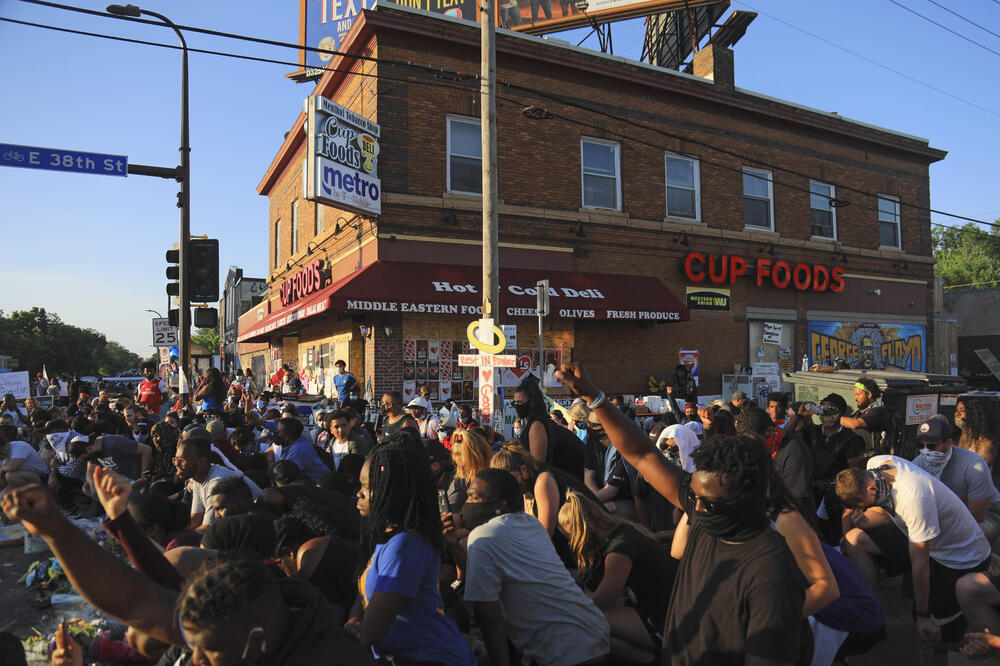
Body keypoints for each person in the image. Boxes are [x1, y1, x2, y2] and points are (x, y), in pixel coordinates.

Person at [556, 360, 808, 666]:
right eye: (695, 497)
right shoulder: (709, 505)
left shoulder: (770, 572)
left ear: (746, 498)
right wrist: (593, 396)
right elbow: (642, 454)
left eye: (706, 502)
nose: (695, 508)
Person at [1, 478, 371, 665]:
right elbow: (134, 599)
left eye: (207, 653)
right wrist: (55, 529)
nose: (193, 660)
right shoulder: (233, 629)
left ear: (257, 641)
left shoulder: (327, 656)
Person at [454, 468, 611, 666]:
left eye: (474, 498)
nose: (467, 505)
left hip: (562, 653)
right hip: (593, 633)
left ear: (500, 505)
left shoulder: (484, 536)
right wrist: (452, 545)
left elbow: (489, 617)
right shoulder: (530, 523)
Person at [836, 455, 991, 651]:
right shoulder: (875, 465)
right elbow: (887, 513)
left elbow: (921, 563)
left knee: (943, 637)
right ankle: (874, 614)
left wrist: (922, 614)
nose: (862, 508)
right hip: (920, 536)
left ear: (871, 488)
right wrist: (867, 521)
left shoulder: (914, 498)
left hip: (959, 557)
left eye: (862, 504)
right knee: (855, 538)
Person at [348, 445, 476, 665]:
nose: (358, 493)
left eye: (367, 487)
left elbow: (369, 633)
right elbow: (364, 597)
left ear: (392, 492)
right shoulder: (387, 540)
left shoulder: (405, 546)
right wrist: (352, 621)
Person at [558, 490, 675, 664]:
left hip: (666, 619)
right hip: (664, 606)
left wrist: (567, 594)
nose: (571, 543)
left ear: (586, 529)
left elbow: (602, 601)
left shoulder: (619, 550)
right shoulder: (621, 529)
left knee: (589, 621)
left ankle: (655, 660)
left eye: (571, 537)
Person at [912, 414, 1000, 545]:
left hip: (987, 515)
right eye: (920, 445)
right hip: (945, 515)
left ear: (948, 443)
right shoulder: (917, 464)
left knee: (967, 533)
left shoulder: (974, 465)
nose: (925, 451)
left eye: (931, 446)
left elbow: (977, 516)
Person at [172, 435, 262, 529]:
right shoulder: (198, 479)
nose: (176, 464)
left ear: (202, 461)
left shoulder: (216, 482)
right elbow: (196, 519)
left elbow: (207, 528)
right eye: (175, 460)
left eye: (181, 460)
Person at [739, 407, 814, 513]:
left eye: (753, 442)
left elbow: (793, 504)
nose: (750, 447)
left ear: (769, 431)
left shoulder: (794, 452)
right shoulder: (765, 448)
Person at [514, 376, 585, 481]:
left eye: (519, 403)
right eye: (514, 403)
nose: (516, 406)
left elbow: (537, 466)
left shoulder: (537, 424)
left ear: (532, 402)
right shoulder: (542, 422)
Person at [584, 407, 638, 519]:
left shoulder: (624, 448)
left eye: (592, 425)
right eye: (587, 422)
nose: (588, 427)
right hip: (601, 498)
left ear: (606, 427)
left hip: (627, 501)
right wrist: (598, 500)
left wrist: (591, 503)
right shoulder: (592, 441)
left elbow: (611, 491)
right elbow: (588, 475)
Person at [267, 417, 330, 484]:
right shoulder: (293, 442)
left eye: (278, 432)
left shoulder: (298, 450)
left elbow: (286, 477)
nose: (275, 433)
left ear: (287, 437)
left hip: (317, 486)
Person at [954, 396, 1000, 485]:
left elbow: (978, 471)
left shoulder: (987, 442)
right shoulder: (955, 438)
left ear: (974, 414)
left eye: (962, 410)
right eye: (956, 410)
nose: (957, 414)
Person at [447, 428, 493, 512]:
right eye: (458, 466)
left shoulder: (495, 480)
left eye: (465, 466)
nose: (462, 471)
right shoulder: (457, 482)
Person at [839, 377, 890, 453]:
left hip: (874, 458)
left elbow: (855, 424)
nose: (855, 398)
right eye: (854, 394)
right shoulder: (859, 413)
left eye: (858, 394)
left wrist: (833, 417)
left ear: (869, 394)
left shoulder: (878, 410)